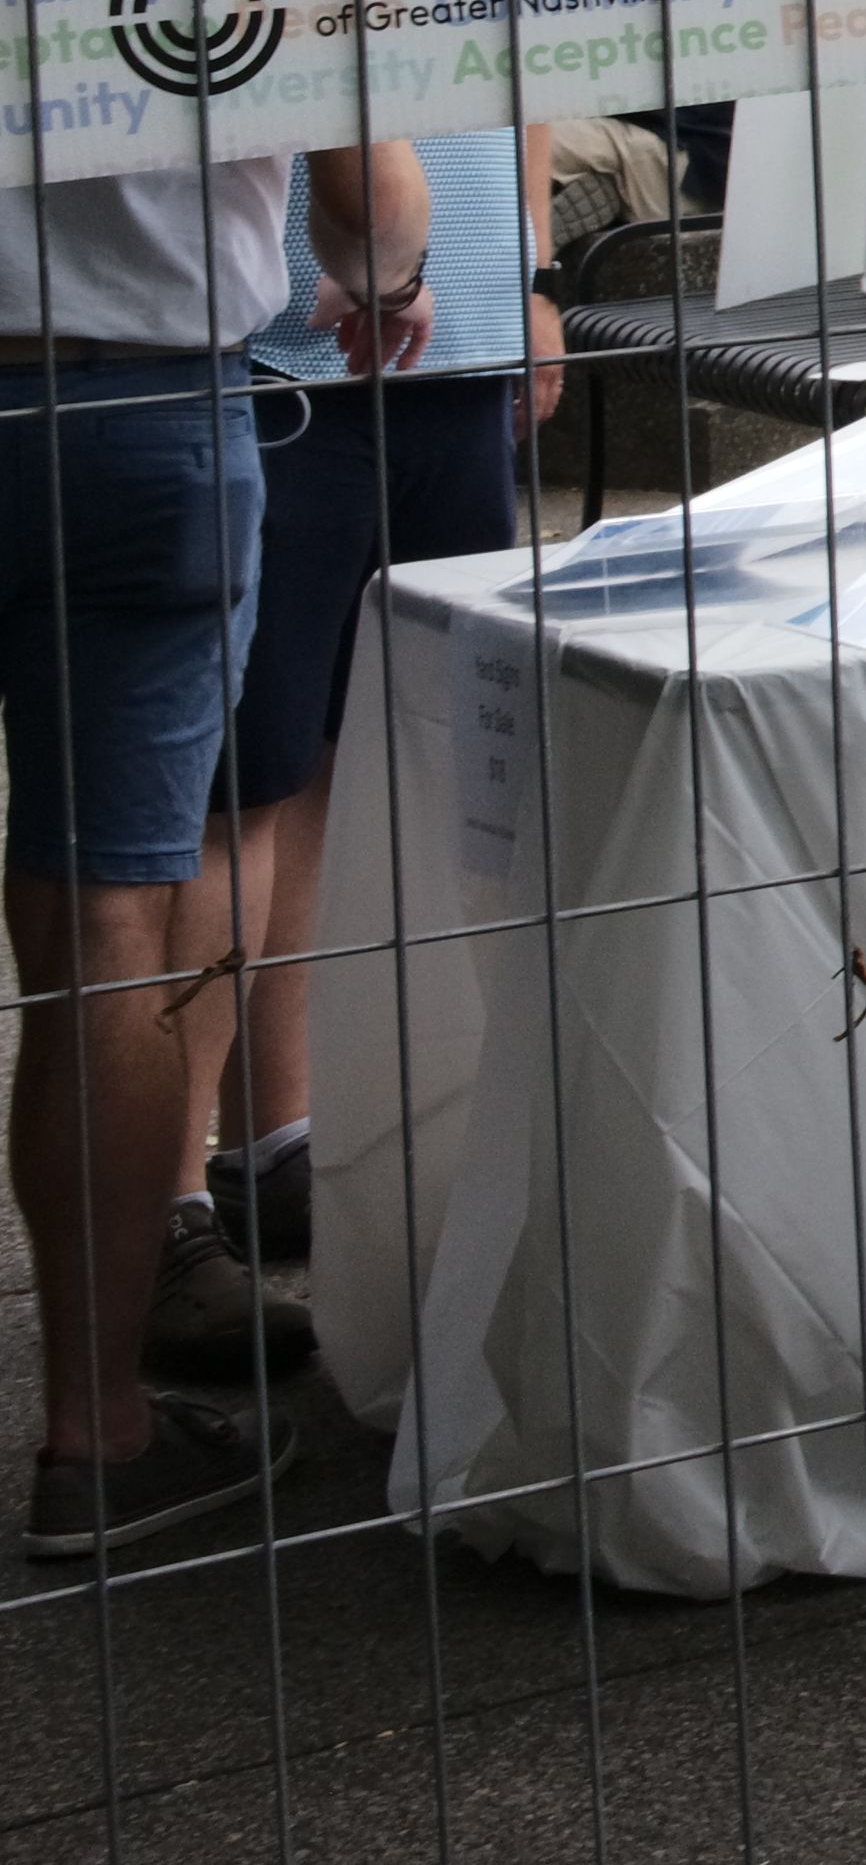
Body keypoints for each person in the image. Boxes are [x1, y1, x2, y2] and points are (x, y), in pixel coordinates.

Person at [13, 139, 428, 1559]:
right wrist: (392, 276)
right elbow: (367, 202)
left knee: (80, 923)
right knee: (107, 928)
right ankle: (96, 1436)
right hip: (140, 404)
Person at [157, 128, 559, 1389]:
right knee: (241, 784)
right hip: (296, 342)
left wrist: (535, 275)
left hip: (461, 332)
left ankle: (280, 1135)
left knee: (359, 752)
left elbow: (530, 49)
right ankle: (165, 1211)